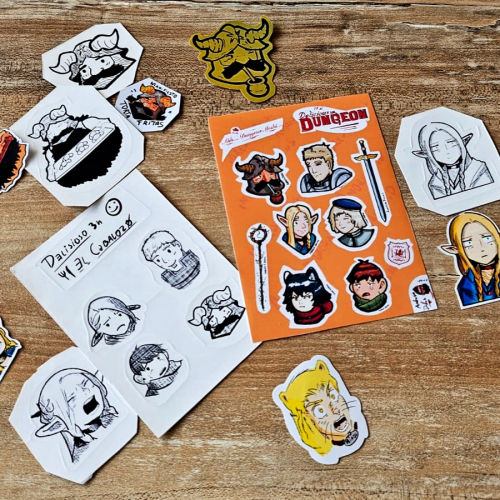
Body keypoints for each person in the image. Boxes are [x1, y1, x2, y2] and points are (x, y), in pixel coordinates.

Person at [31, 368, 118, 463]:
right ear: (59, 423)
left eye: (85, 384)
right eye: (71, 398)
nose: (86, 392)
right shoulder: (82, 452)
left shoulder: (114, 418)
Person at [278, 359, 359, 456]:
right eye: (320, 410)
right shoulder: (326, 453)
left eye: (333, 396)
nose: (334, 410)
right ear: (308, 419)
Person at [413, 122, 493, 200]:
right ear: (428, 154)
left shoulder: (479, 168)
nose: (447, 151)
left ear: (461, 143)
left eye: (452, 143)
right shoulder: (435, 182)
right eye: (435, 148)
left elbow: (487, 195)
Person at [441, 211, 500, 307]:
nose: (481, 248)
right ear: (456, 249)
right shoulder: (467, 283)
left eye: (487, 238)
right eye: (469, 243)